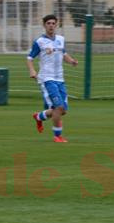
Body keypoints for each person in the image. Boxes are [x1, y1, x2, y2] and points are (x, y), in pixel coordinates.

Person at [28, 14, 78, 143]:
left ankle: (39, 117)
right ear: (44, 25)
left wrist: (71, 61)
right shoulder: (39, 41)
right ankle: (57, 136)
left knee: (63, 111)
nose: (51, 25)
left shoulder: (61, 39)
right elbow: (29, 58)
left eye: (53, 23)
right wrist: (32, 70)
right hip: (47, 78)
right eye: (48, 23)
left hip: (60, 78)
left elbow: (63, 54)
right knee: (58, 108)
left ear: (56, 25)